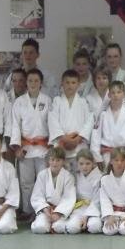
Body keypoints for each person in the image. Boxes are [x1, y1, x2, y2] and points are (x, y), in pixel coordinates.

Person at [9, 68, 52, 217]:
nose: (33, 83)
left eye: (36, 80)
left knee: (43, 181)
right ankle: (28, 210)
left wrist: (52, 146)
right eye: (30, 80)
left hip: (43, 148)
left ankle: (42, 211)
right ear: (26, 83)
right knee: (26, 182)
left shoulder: (47, 100)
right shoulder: (19, 102)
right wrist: (16, 148)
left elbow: (52, 124)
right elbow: (15, 126)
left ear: (41, 83)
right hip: (25, 148)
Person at [48, 69, 94, 175]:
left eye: (73, 82)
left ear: (78, 85)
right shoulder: (56, 101)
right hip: (61, 146)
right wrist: (64, 138)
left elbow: (89, 122)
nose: (70, 85)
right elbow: (52, 121)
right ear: (62, 83)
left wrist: (77, 139)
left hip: (79, 146)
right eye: (67, 82)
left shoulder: (83, 102)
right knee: (61, 177)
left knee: (80, 177)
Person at [91, 80, 125, 170]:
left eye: (119, 92)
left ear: (124, 95)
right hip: (107, 156)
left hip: (124, 155)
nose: (116, 95)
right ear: (109, 95)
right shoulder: (103, 114)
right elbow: (96, 136)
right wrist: (97, 157)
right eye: (113, 92)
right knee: (107, 177)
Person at [30, 146, 76, 234]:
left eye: (58, 160)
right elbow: (37, 196)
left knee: (59, 228)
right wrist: (45, 210)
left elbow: (69, 198)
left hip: (60, 211)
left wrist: (58, 213)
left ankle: (55, 223)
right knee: (40, 228)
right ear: (48, 161)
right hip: (46, 210)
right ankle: (41, 222)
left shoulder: (68, 177)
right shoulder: (42, 175)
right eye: (52, 160)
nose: (55, 163)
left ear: (63, 161)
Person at [64, 149, 103, 234]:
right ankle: (82, 225)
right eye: (81, 164)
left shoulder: (99, 177)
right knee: (72, 228)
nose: (84, 167)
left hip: (94, 208)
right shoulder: (75, 176)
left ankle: (87, 224)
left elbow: (97, 201)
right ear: (77, 164)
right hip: (79, 208)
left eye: (88, 163)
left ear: (93, 163)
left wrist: (86, 216)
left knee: (94, 227)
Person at [100, 147, 125, 236]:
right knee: (109, 231)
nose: (119, 163)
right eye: (116, 160)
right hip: (113, 213)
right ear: (111, 161)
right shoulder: (105, 179)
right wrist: (109, 215)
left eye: (122, 160)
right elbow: (104, 200)